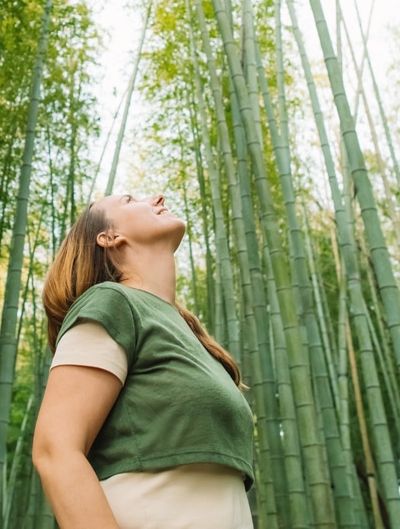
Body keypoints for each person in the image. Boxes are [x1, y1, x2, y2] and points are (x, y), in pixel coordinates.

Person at [31, 192, 255, 528]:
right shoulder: (112, 303)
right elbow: (54, 450)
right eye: (130, 199)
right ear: (109, 237)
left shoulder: (191, 337)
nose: (158, 196)